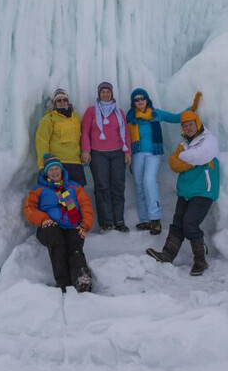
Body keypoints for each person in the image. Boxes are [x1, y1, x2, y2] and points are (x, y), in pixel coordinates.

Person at [146, 109, 220, 276]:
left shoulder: (209, 140)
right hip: (186, 190)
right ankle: (167, 255)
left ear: (197, 123)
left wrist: (185, 158)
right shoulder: (183, 144)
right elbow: (174, 163)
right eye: (185, 125)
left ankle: (200, 260)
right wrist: (190, 160)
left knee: (190, 223)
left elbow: (201, 155)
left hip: (203, 190)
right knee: (177, 223)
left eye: (190, 124)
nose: (188, 127)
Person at [127, 88, 202, 235]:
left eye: (142, 98)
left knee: (149, 181)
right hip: (136, 154)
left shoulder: (156, 114)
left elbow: (175, 117)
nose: (140, 101)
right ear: (133, 102)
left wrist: (191, 108)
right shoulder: (130, 117)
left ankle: (155, 219)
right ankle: (145, 220)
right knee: (138, 184)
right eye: (137, 99)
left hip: (153, 153)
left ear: (147, 99)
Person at [23, 153, 95, 292]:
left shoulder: (74, 187)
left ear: (61, 170)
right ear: (46, 173)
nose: (54, 172)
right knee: (57, 240)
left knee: (75, 244)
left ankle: (82, 279)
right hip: (49, 227)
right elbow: (29, 209)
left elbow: (86, 206)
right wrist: (43, 219)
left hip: (71, 225)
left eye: (57, 168)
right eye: (51, 170)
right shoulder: (38, 190)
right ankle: (63, 282)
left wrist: (85, 224)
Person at [81, 82, 131, 232]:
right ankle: (106, 222)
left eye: (108, 91)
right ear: (99, 94)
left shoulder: (119, 112)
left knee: (118, 186)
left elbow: (125, 132)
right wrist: (85, 150)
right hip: (98, 153)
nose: (105, 94)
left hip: (117, 153)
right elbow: (85, 131)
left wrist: (127, 151)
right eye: (102, 91)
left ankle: (119, 220)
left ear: (112, 93)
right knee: (102, 186)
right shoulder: (91, 111)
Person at [35, 88, 87, 186]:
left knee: (76, 195)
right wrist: (43, 163)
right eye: (59, 100)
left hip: (75, 163)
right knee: (59, 195)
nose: (62, 102)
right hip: (57, 164)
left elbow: (82, 138)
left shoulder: (76, 118)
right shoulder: (48, 119)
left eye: (64, 100)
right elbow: (42, 140)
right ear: (54, 103)